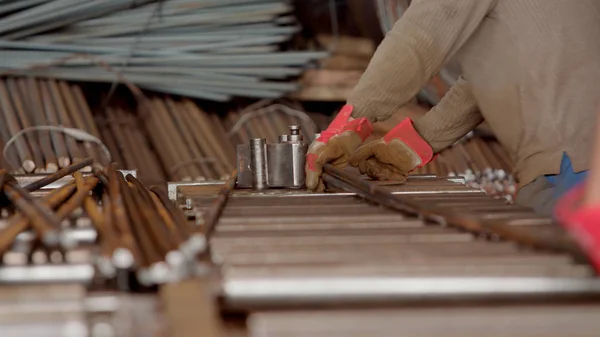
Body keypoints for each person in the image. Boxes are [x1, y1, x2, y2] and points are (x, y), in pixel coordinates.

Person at [305, 0, 600, 216]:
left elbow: (419, 39)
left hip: (572, 172)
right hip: (579, 163)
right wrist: (416, 142)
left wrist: (350, 123)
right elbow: (502, 76)